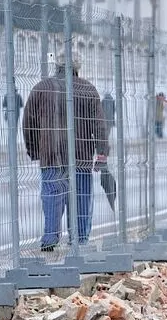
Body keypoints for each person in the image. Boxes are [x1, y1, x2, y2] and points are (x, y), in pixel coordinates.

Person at [22, 52, 108, 252]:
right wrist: (102, 153)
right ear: (78, 67)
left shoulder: (41, 88)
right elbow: (99, 125)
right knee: (80, 197)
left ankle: (50, 238)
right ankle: (79, 240)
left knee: (52, 197)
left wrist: (35, 150)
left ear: (56, 66)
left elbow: (28, 124)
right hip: (81, 155)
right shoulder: (87, 89)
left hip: (51, 155)